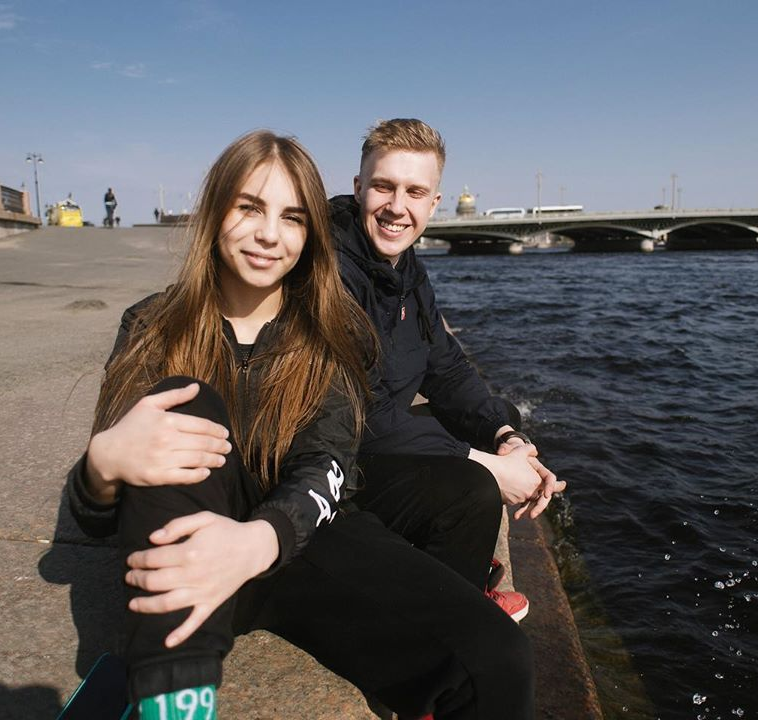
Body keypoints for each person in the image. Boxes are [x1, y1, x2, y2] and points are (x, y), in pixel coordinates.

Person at [66, 130, 533, 719]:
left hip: (295, 535)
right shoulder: (153, 326)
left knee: (498, 658)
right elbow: (98, 517)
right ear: (214, 212)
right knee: (186, 404)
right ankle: (171, 691)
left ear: (310, 233)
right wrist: (101, 466)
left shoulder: (330, 328)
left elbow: (328, 462)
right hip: (189, 559)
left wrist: (259, 540)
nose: (269, 234)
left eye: (291, 217)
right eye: (249, 208)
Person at [330, 119, 566, 622]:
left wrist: (505, 437)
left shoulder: (406, 268)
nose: (397, 207)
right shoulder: (330, 271)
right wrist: (489, 467)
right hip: (328, 464)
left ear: (434, 203)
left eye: (415, 192)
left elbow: (447, 367)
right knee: (472, 487)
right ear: (358, 187)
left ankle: (454, 563)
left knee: (492, 417)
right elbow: (356, 412)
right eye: (383, 187)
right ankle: (448, 618)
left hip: (371, 441)